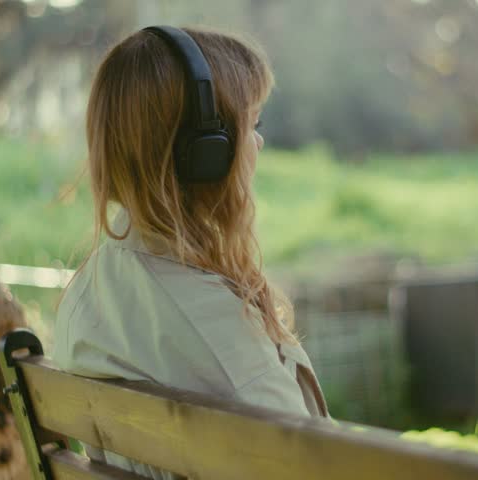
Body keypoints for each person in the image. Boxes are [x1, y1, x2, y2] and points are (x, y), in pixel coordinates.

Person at [52, 25, 331, 479]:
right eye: (250, 125)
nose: (257, 144)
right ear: (206, 153)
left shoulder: (85, 297)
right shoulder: (217, 330)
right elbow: (309, 465)